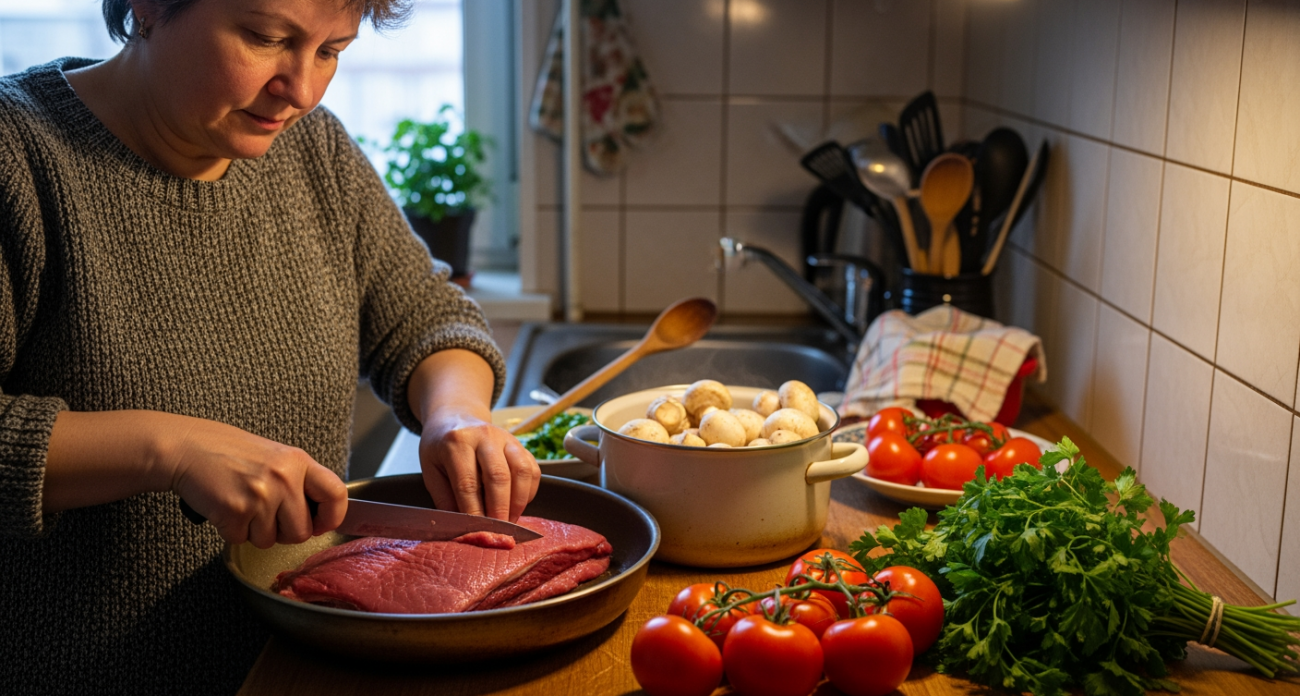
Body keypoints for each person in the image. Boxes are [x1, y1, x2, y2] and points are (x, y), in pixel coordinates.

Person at [0, 0, 540, 693]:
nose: (304, 90)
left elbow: (428, 315)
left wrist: (457, 412)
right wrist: (171, 449)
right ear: (149, 7)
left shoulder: (312, 149)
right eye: (265, 38)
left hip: (298, 664)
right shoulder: (20, 158)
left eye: (331, 50)